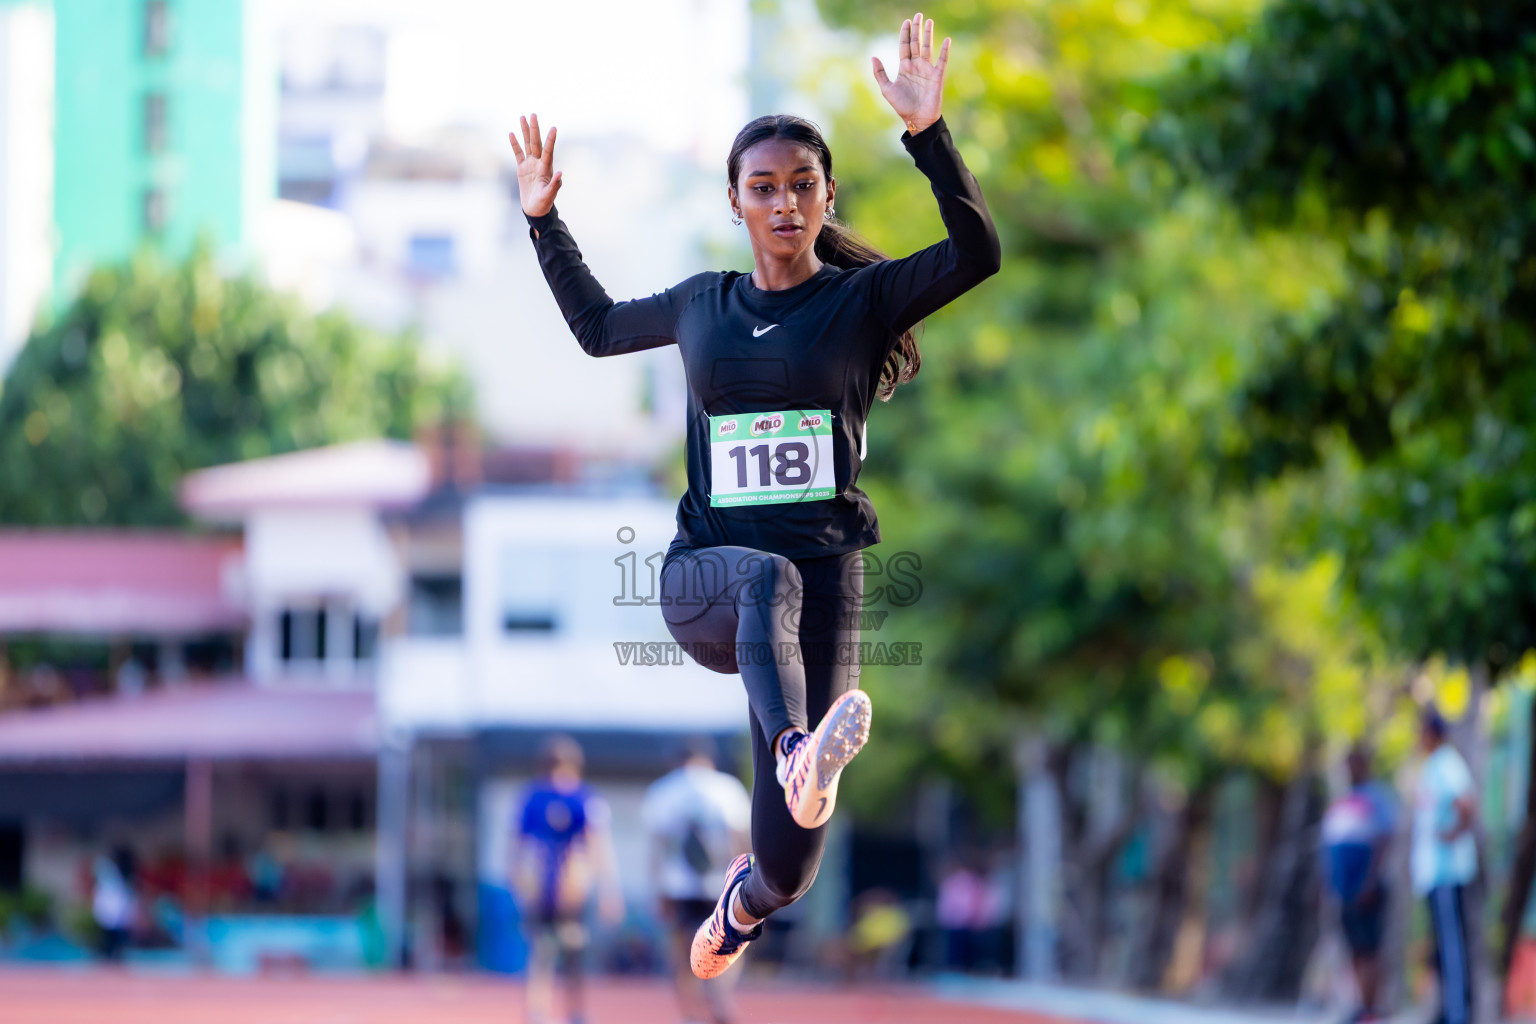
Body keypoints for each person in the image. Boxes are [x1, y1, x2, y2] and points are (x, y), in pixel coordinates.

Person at [510, 9, 999, 981]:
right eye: (763, 188)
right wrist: (542, 217)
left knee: (795, 864)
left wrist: (928, 135)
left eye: (802, 186)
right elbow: (600, 327)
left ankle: (742, 901)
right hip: (709, 582)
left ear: (826, 198)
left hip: (825, 587)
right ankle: (790, 748)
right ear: (735, 201)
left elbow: (977, 253)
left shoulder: (861, 301)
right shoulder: (704, 303)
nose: (784, 204)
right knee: (763, 582)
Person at [510, 735, 624, 1024]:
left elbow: (515, 845)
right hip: (572, 888)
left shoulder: (533, 797)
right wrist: (609, 890)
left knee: (542, 952)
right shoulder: (584, 797)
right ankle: (573, 1013)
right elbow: (599, 847)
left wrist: (516, 879)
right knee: (570, 952)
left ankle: (538, 1012)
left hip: (547, 885)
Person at [642, 738, 753, 1024]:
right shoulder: (727, 788)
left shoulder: (664, 790)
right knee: (730, 943)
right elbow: (741, 841)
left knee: (681, 950)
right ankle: (719, 994)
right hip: (721, 885)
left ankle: (691, 1013)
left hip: (677, 885)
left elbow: (658, 847)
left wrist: (656, 891)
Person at [1411, 707, 1478, 1024]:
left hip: (1448, 872)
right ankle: (1444, 1010)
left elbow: (1466, 802)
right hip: (1433, 874)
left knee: (1452, 945)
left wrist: (1453, 833)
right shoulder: (1432, 766)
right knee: (1439, 946)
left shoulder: (1447, 764)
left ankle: (1458, 1014)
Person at [1321, 745, 1397, 1023]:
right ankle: (1359, 1003)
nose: (1349, 771)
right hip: (1344, 887)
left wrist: (1370, 880)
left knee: (1370, 947)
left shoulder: (1377, 798)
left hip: (1368, 886)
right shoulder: (1343, 801)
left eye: (1354, 764)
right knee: (1354, 946)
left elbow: (1385, 837)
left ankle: (1371, 1007)